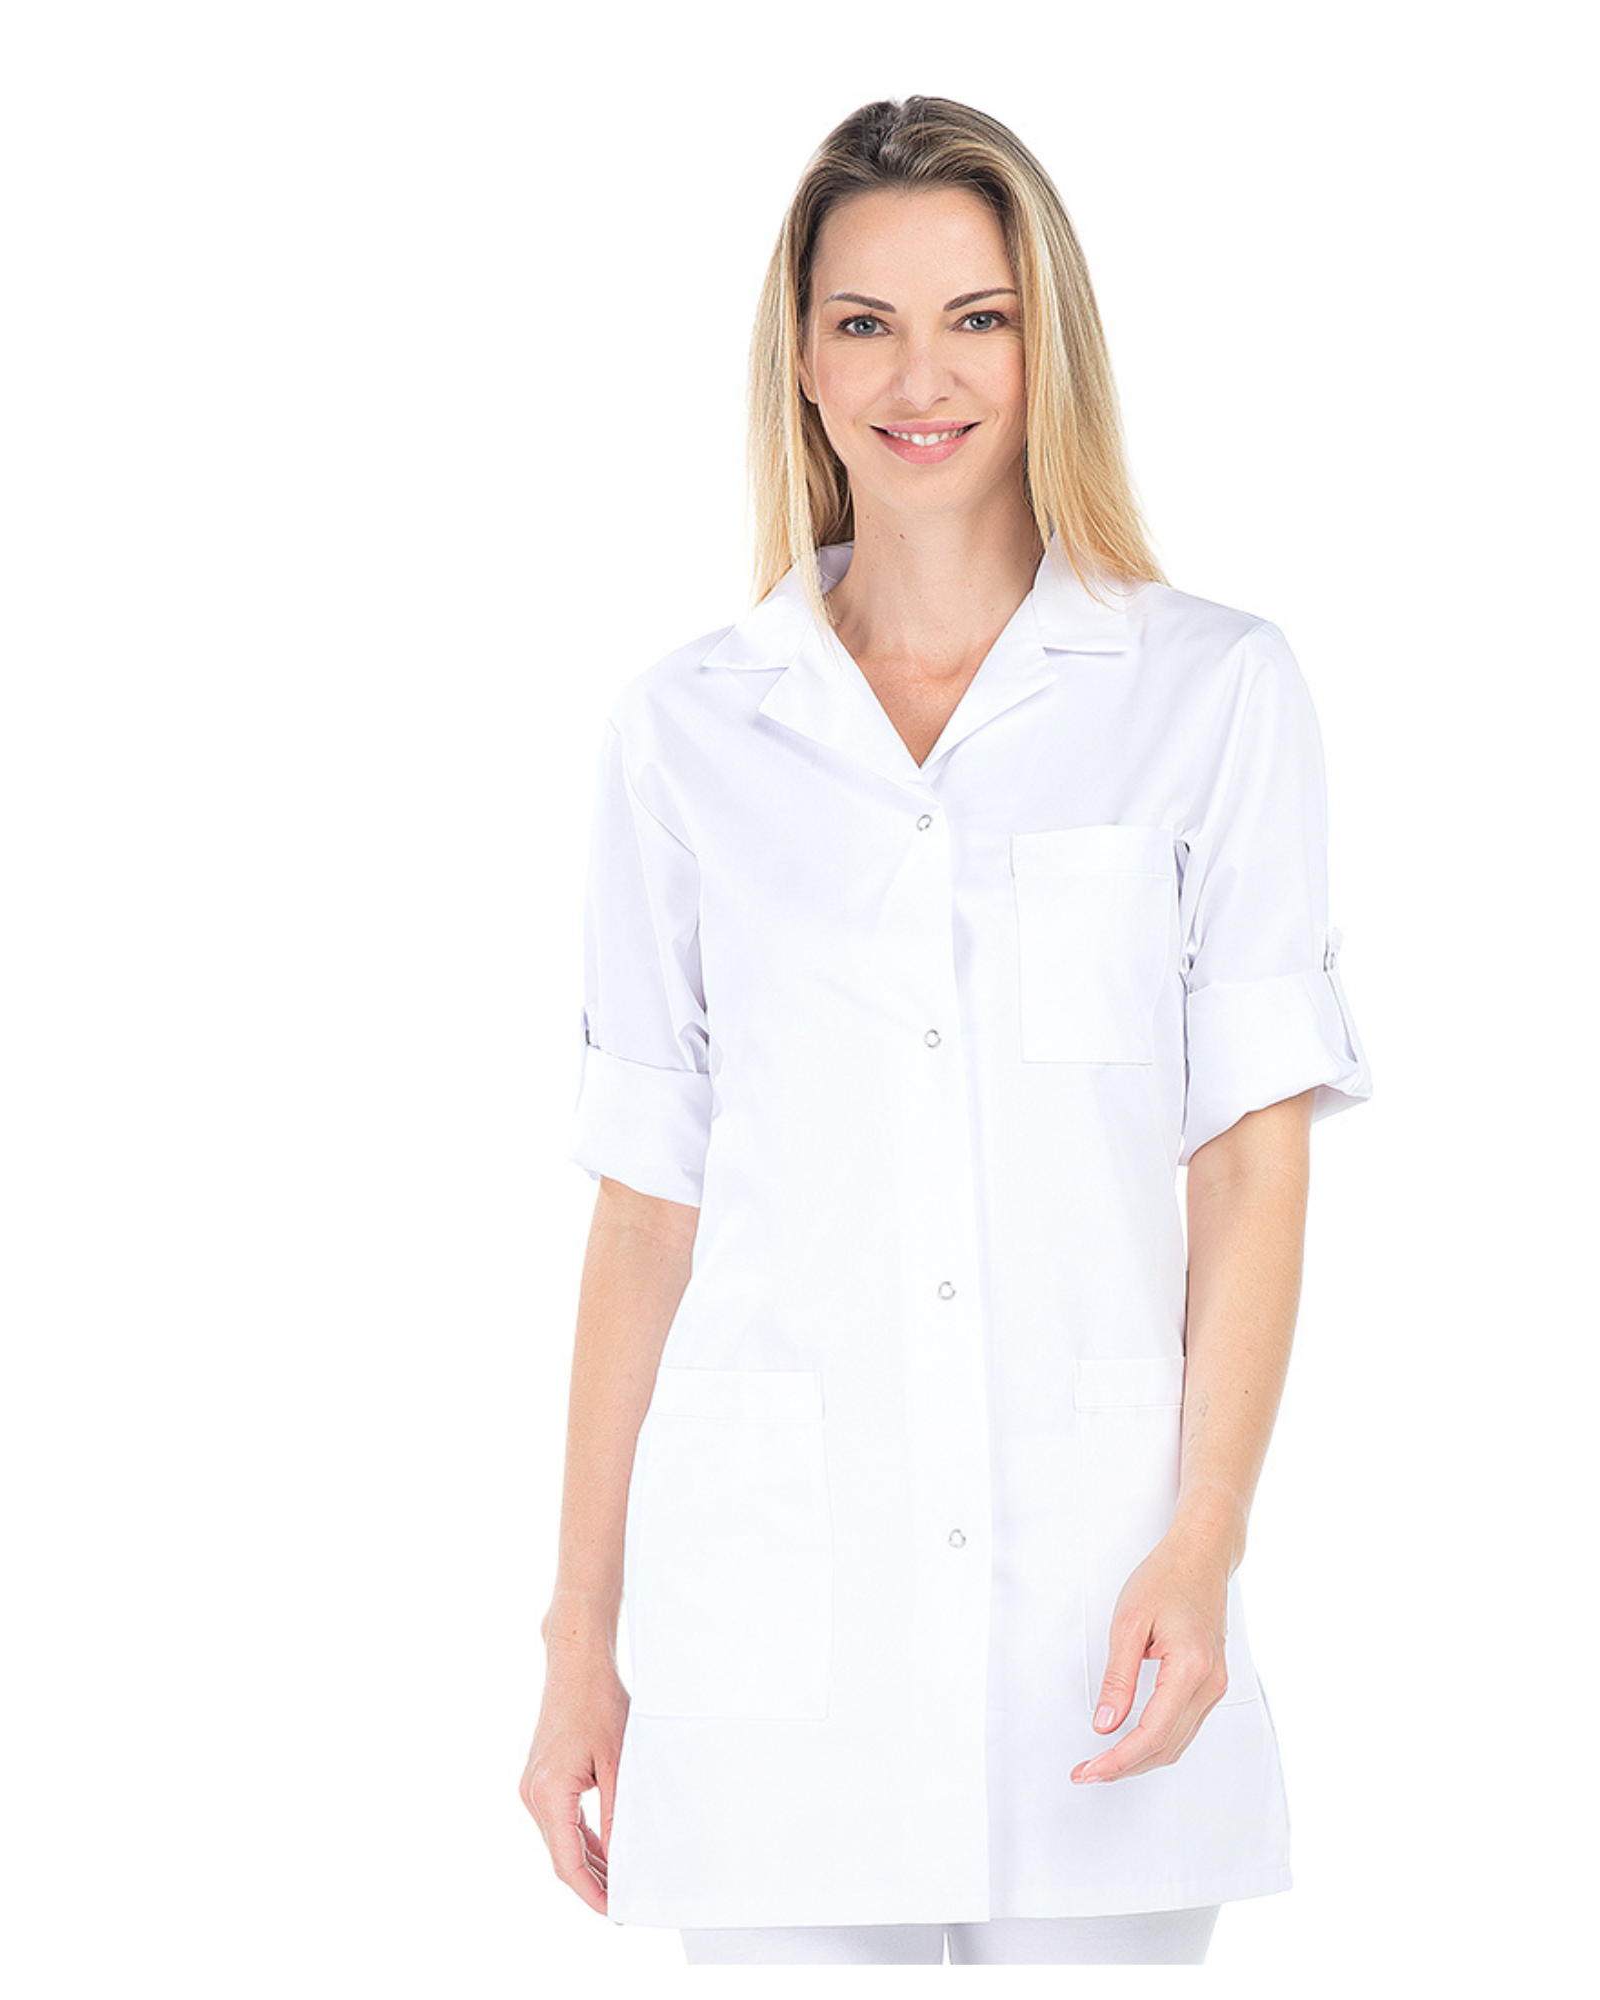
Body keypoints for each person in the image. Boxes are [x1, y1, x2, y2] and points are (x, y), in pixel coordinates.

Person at [518, 95, 1374, 1968]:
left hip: (1103, 1629)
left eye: (979, 318)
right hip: (772, 1664)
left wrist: (1205, 1533)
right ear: (802, 361)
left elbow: (1249, 1159)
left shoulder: (1214, 695)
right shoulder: (684, 734)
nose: (924, 377)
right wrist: (580, 1637)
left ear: (1047, 344)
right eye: (866, 322)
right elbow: (646, 1207)